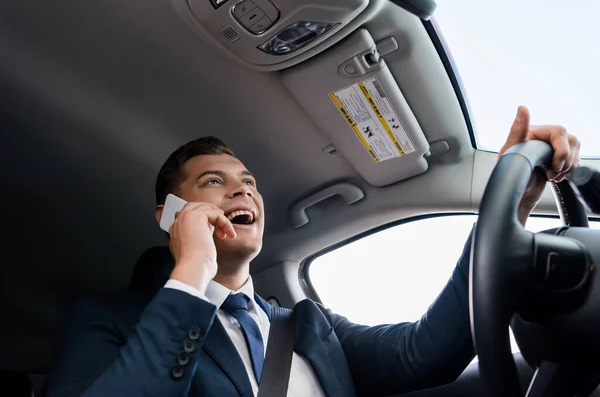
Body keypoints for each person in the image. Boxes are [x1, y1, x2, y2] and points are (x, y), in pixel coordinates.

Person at [43, 106, 581, 397]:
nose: (243, 190)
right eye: (214, 181)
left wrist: (505, 209)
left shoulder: (307, 325)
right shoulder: (108, 321)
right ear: (168, 216)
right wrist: (189, 276)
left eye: (249, 181)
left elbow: (426, 353)